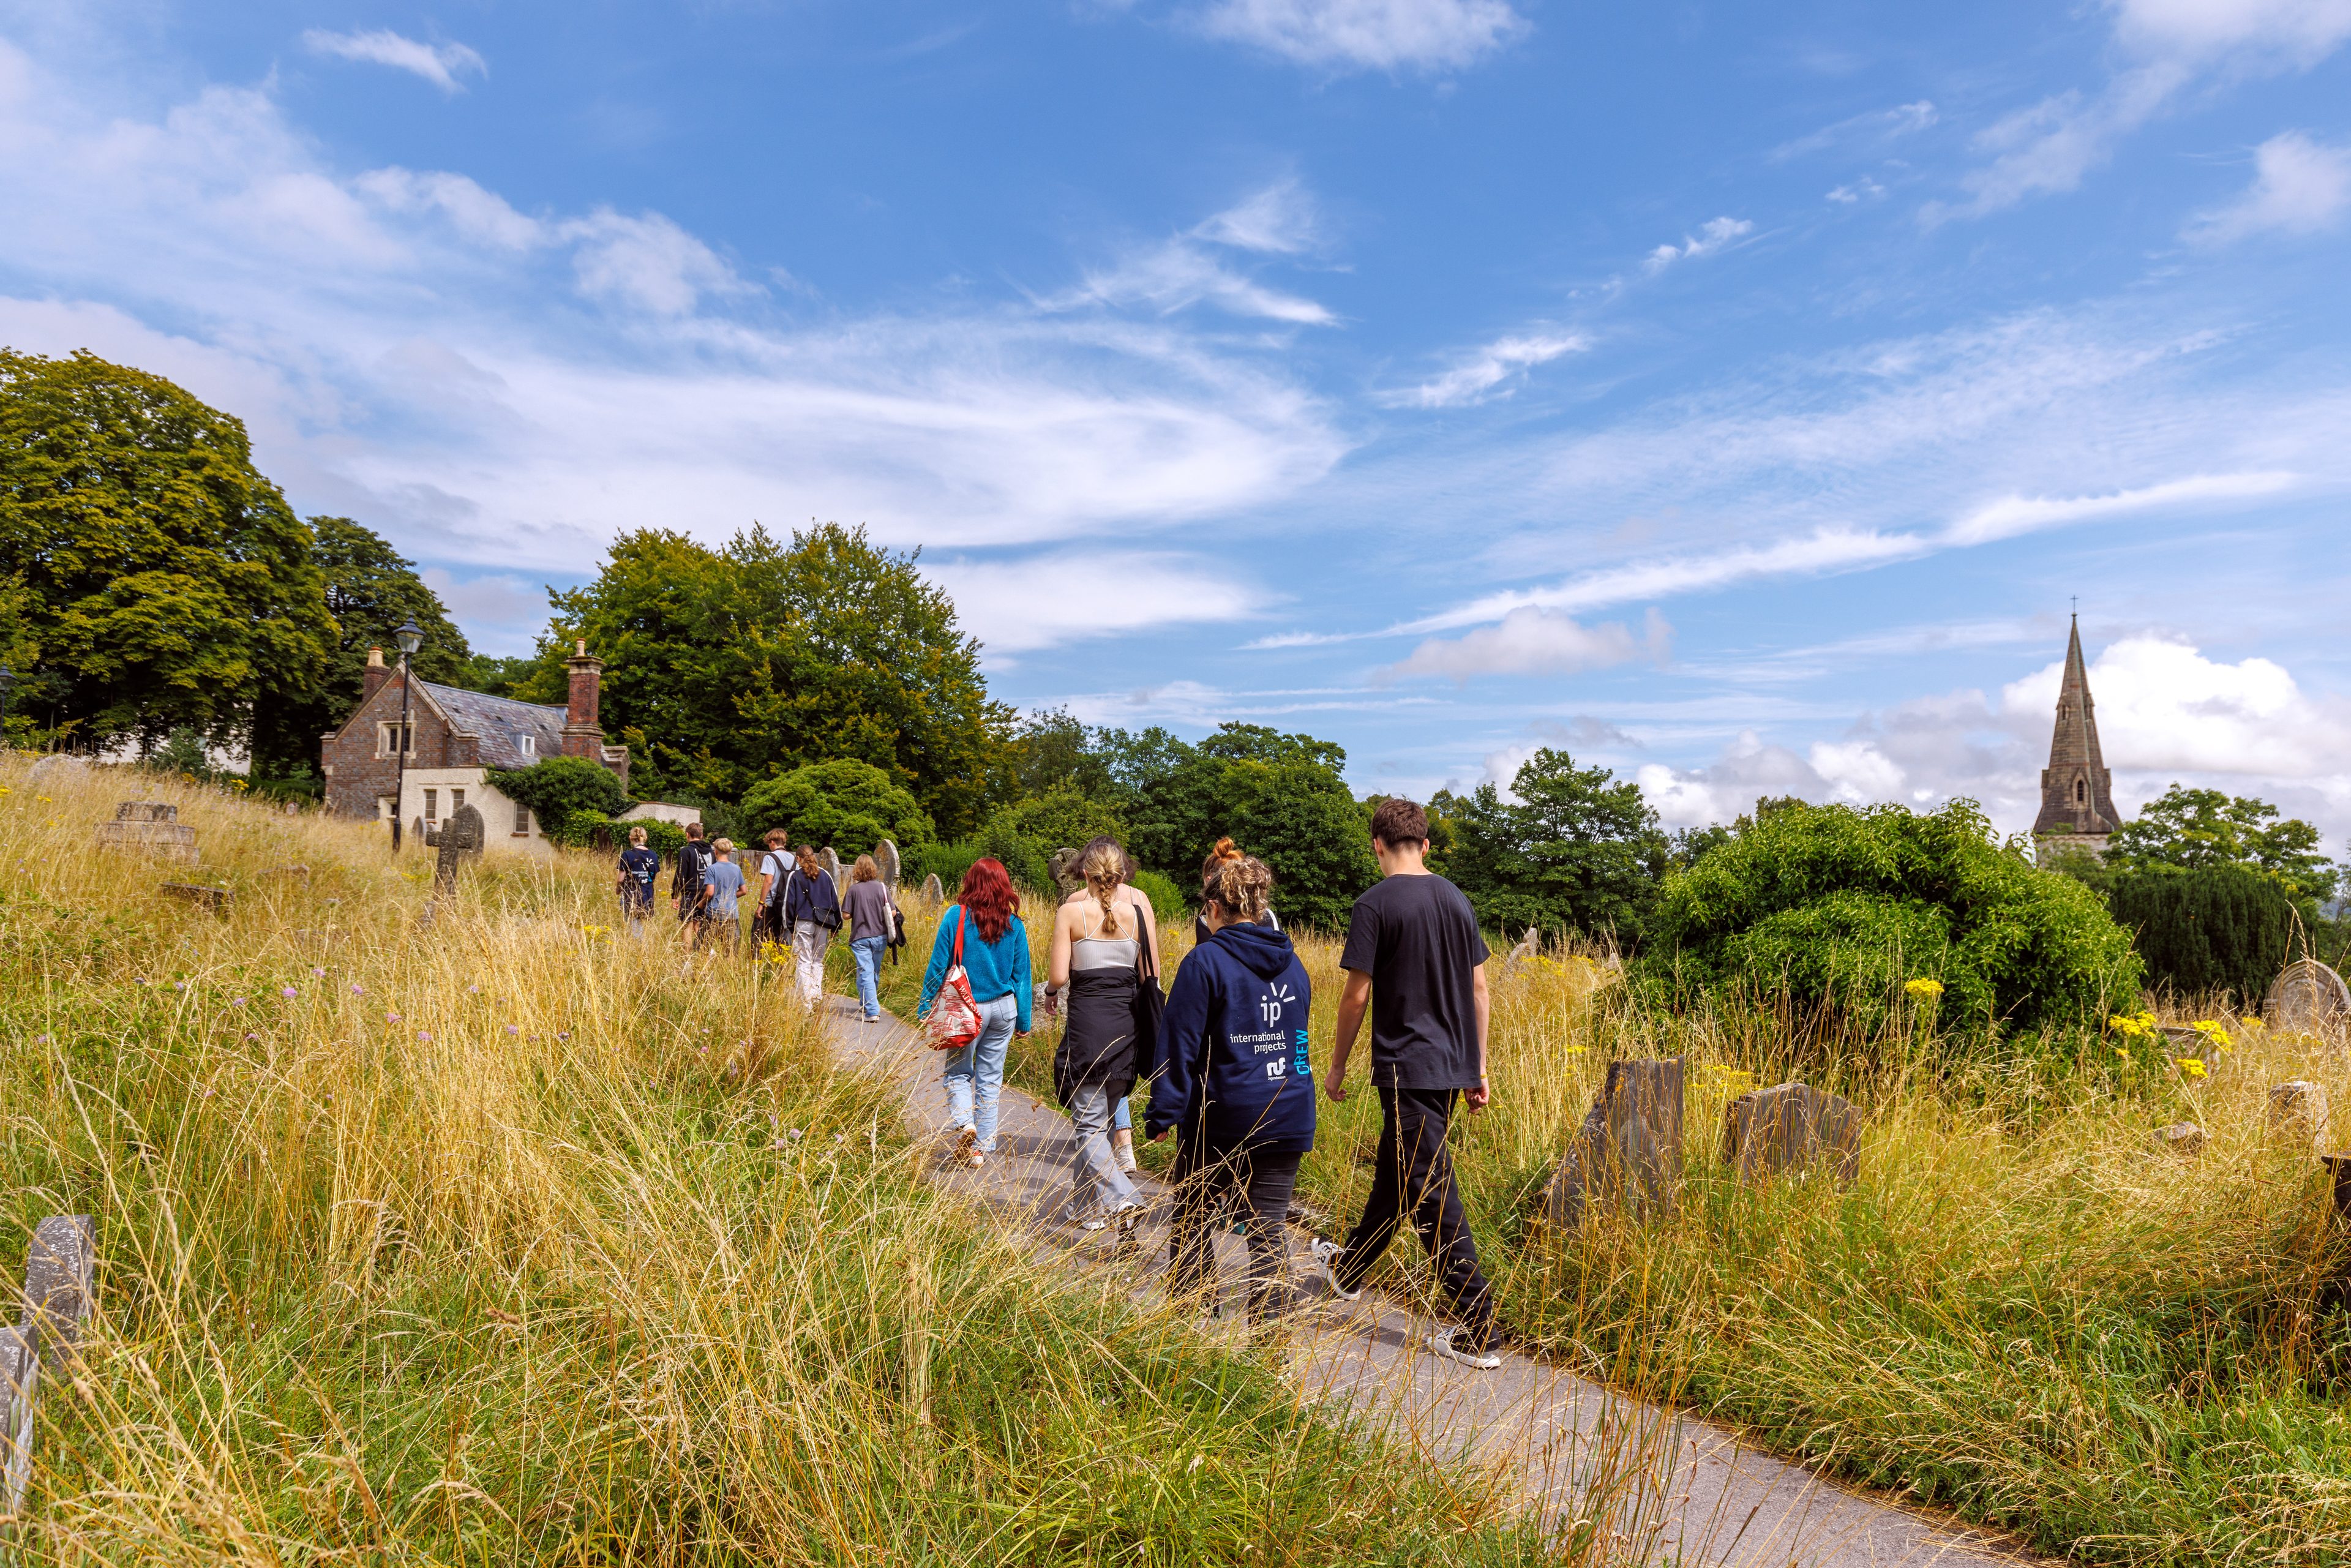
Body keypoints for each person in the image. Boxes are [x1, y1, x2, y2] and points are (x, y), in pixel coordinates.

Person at [1310, 797, 1503, 1371]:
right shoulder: (1456, 897)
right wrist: (1478, 1067)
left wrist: (1339, 1064)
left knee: (1430, 1193)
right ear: (1424, 844)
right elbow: (1480, 991)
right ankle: (1348, 1272)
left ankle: (1479, 1326)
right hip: (1447, 1067)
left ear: (1377, 845)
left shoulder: (1373, 904)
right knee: (1399, 1177)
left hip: (1405, 1067)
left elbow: (1356, 996)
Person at [1148, 847, 1314, 1326]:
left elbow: (1178, 1046)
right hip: (1289, 1108)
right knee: (1268, 1234)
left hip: (1224, 1115)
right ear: (1259, 907)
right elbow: (1299, 1040)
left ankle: (1191, 1329)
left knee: (1194, 1216)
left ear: (1215, 908)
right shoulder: (1295, 965)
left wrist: (1164, 1112)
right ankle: (1271, 1355)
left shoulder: (1204, 963)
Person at [1045, 840, 1149, 1236]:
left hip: (1087, 1031)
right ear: (1121, 876)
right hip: (1125, 1030)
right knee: (1100, 1125)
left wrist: (1052, 994)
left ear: (1083, 874)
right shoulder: (1136, 915)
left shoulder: (1071, 912)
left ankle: (1124, 1197)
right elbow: (1144, 973)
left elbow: (1057, 976)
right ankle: (1083, 1206)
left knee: (1089, 1128)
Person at [917, 857, 1032, 1170]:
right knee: (991, 1078)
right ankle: (980, 1148)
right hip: (1004, 1009)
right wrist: (1024, 1019)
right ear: (1003, 886)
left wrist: (925, 1007)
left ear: (971, 882)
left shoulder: (957, 916)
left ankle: (966, 1124)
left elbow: (938, 966)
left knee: (957, 1073)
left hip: (965, 1009)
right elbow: (1022, 975)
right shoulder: (1014, 924)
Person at [780, 845, 842, 1003]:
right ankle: (815, 996)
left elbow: (789, 903)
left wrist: (789, 926)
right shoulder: (826, 875)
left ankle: (806, 1001)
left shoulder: (795, 876)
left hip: (804, 922)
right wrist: (837, 926)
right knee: (817, 961)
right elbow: (835, 901)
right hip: (823, 923)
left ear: (798, 858)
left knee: (804, 960)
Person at [842, 853, 897, 1022]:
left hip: (860, 937)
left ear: (857, 870)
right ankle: (866, 1002)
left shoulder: (853, 890)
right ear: (873, 868)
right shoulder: (882, 888)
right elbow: (893, 912)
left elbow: (846, 915)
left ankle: (872, 1011)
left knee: (865, 972)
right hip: (880, 937)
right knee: (872, 972)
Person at [694, 837, 746, 950]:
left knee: (703, 947)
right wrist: (731, 896)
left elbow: (710, 892)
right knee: (731, 950)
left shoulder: (712, 869)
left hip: (714, 912)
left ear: (715, 851)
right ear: (730, 852)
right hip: (732, 913)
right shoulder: (737, 869)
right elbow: (744, 891)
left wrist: (701, 903)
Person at [672, 822, 713, 948]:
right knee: (700, 925)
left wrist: (675, 895)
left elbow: (680, 874)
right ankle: (707, 953)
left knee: (687, 925)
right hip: (707, 893)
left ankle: (687, 959)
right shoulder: (711, 852)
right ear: (702, 836)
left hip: (690, 893)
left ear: (687, 835)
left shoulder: (686, 851)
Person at [616, 824, 660, 938]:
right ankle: (641, 945)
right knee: (640, 922)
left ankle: (638, 947)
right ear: (646, 838)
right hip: (647, 893)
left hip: (631, 893)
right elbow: (653, 877)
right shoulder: (653, 855)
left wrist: (618, 890)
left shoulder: (627, 855)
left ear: (630, 838)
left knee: (632, 923)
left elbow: (621, 879)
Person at [752, 829, 793, 950]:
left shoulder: (770, 858)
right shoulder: (794, 859)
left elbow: (768, 881)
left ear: (772, 842)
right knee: (781, 937)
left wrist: (761, 904)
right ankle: (780, 966)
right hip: (787, 904)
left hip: (771, 903)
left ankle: (757, 963)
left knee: (758, 935)